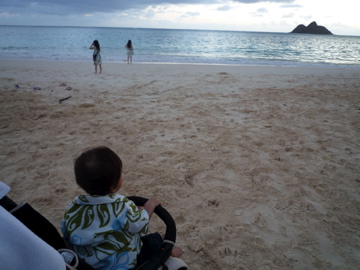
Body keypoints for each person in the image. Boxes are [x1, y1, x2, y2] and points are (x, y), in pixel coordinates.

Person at [61, 146, 184, 270]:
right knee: (154, 241)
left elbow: (66, 233)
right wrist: (149, 206)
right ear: (115, 183)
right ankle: (171, 254)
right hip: (121, 264)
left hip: (88, 265)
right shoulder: (122, 205)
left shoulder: (73, 207)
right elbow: (138, 225)